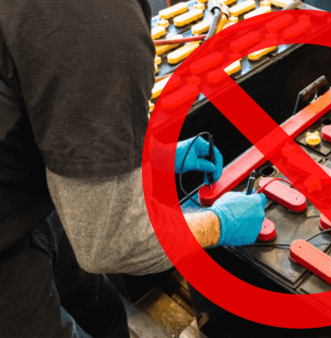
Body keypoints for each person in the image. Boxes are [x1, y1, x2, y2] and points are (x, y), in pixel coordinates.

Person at [0, 0, 266, 337]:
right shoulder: (92, 20)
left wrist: (150, 158)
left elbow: (55, 115)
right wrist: (219, 223)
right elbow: (115, 242)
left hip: (26, 185)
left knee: (100, 308)